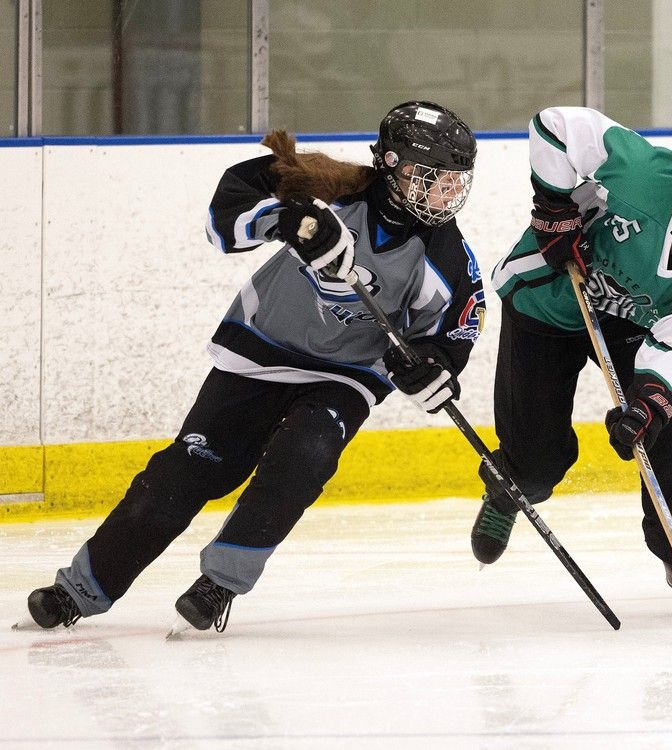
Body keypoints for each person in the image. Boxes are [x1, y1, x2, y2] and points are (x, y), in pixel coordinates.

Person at [22, 101, 484, 632]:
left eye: (453, 183)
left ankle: (220, 582)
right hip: (258, 351)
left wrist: (432, 363)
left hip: (345, 376)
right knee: (186, 471)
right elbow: (226, 217)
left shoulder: (446, 256)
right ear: (389, 164)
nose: (443, 195)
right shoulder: (328, 186)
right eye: (428, 178)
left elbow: (453, 328)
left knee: (304, 455)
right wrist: (289, 221)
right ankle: (81, 589)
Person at [468, 106, 672, 616]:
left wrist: (650, 403)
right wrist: (554, 208)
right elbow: (555, 126)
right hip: (548, 301)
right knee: (539, 464)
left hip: (632, 329)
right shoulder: (645, 176)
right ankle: (511, 487)